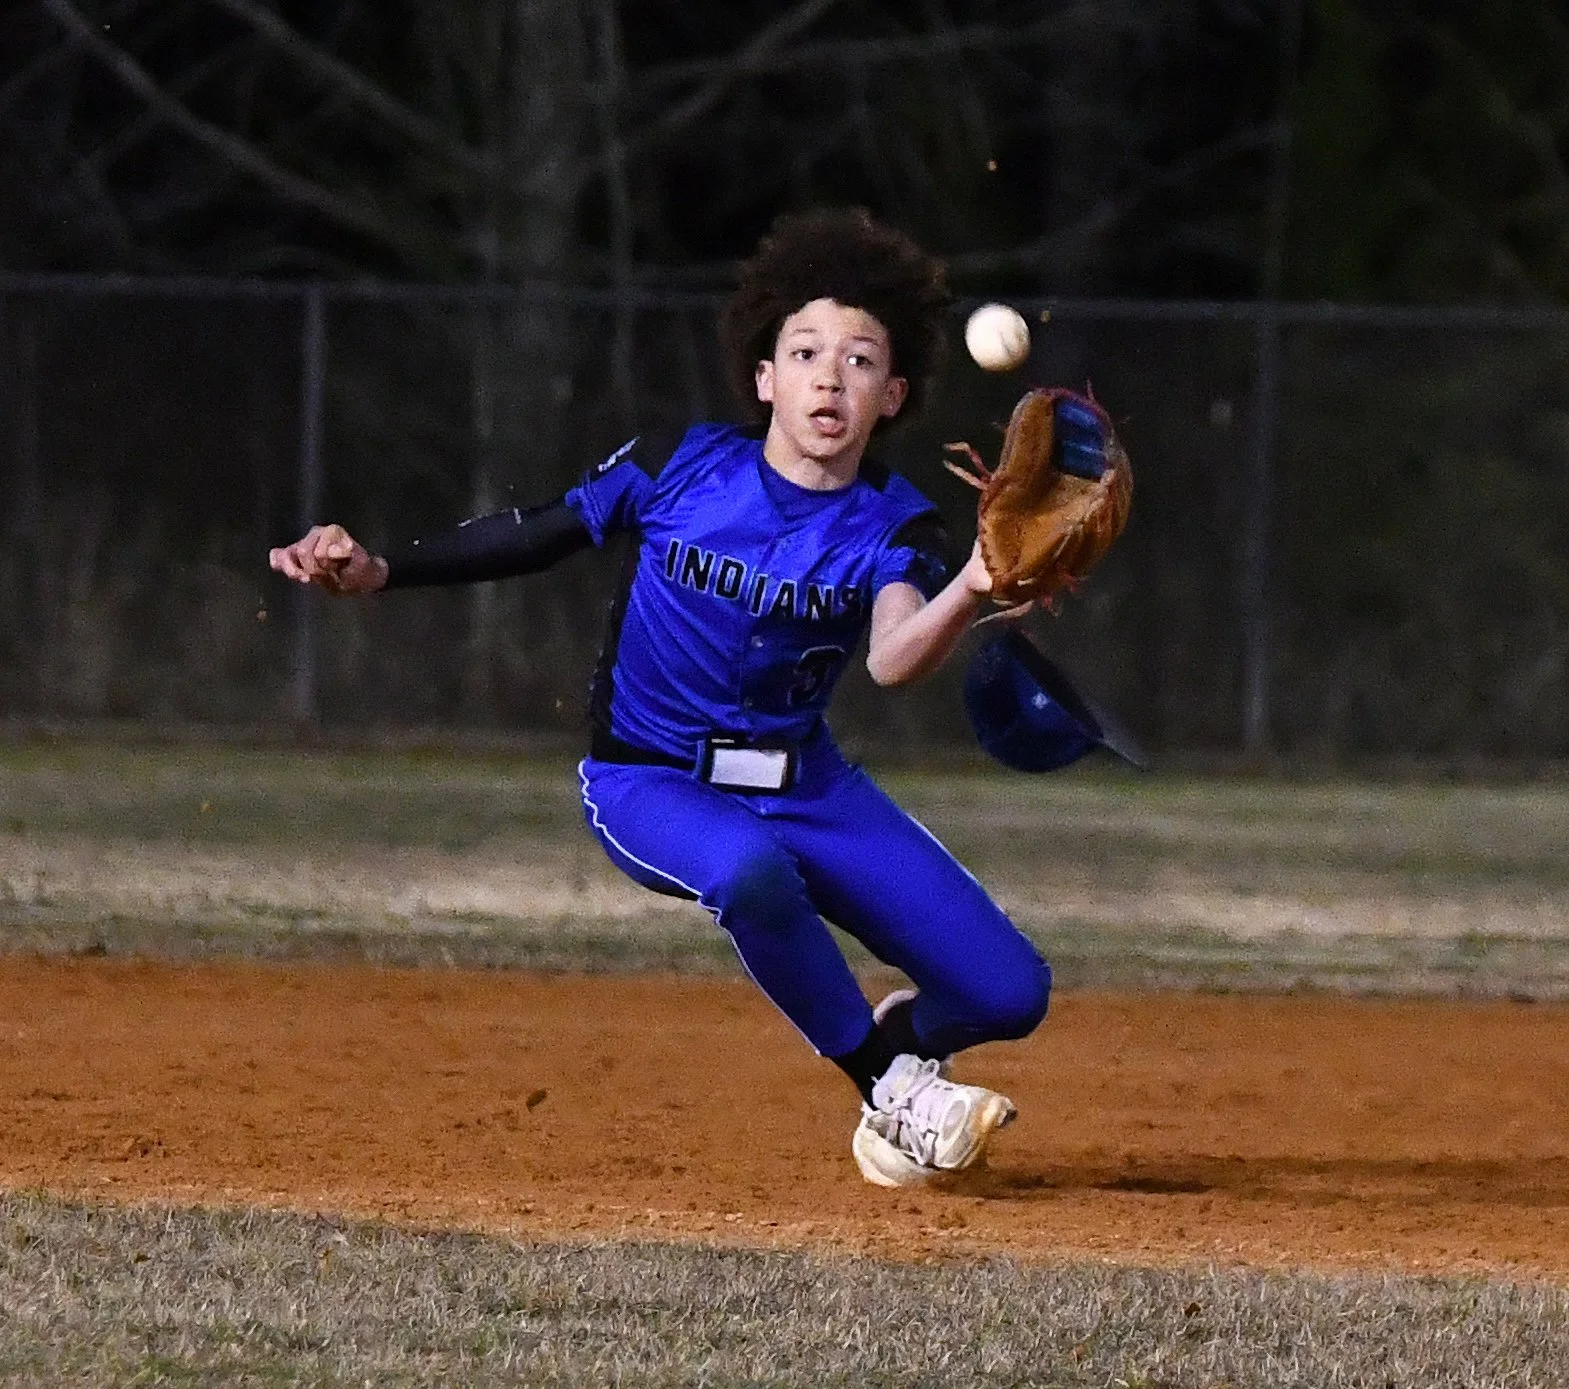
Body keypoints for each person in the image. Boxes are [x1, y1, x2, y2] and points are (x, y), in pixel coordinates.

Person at [269, 207, 1053, 1187]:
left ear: (890, 396)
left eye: (860, 362)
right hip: (652, 782)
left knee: (1010, 990)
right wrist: (378, 570)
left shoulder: (894, 523)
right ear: (765, 379)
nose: (829, 375)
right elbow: (535, 532)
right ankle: (889, 1086)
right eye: (804, 351)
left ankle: (897, 1037)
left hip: (805, 786)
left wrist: (974, 580)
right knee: (751, 873)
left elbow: (895, 656)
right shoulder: (684, 467)